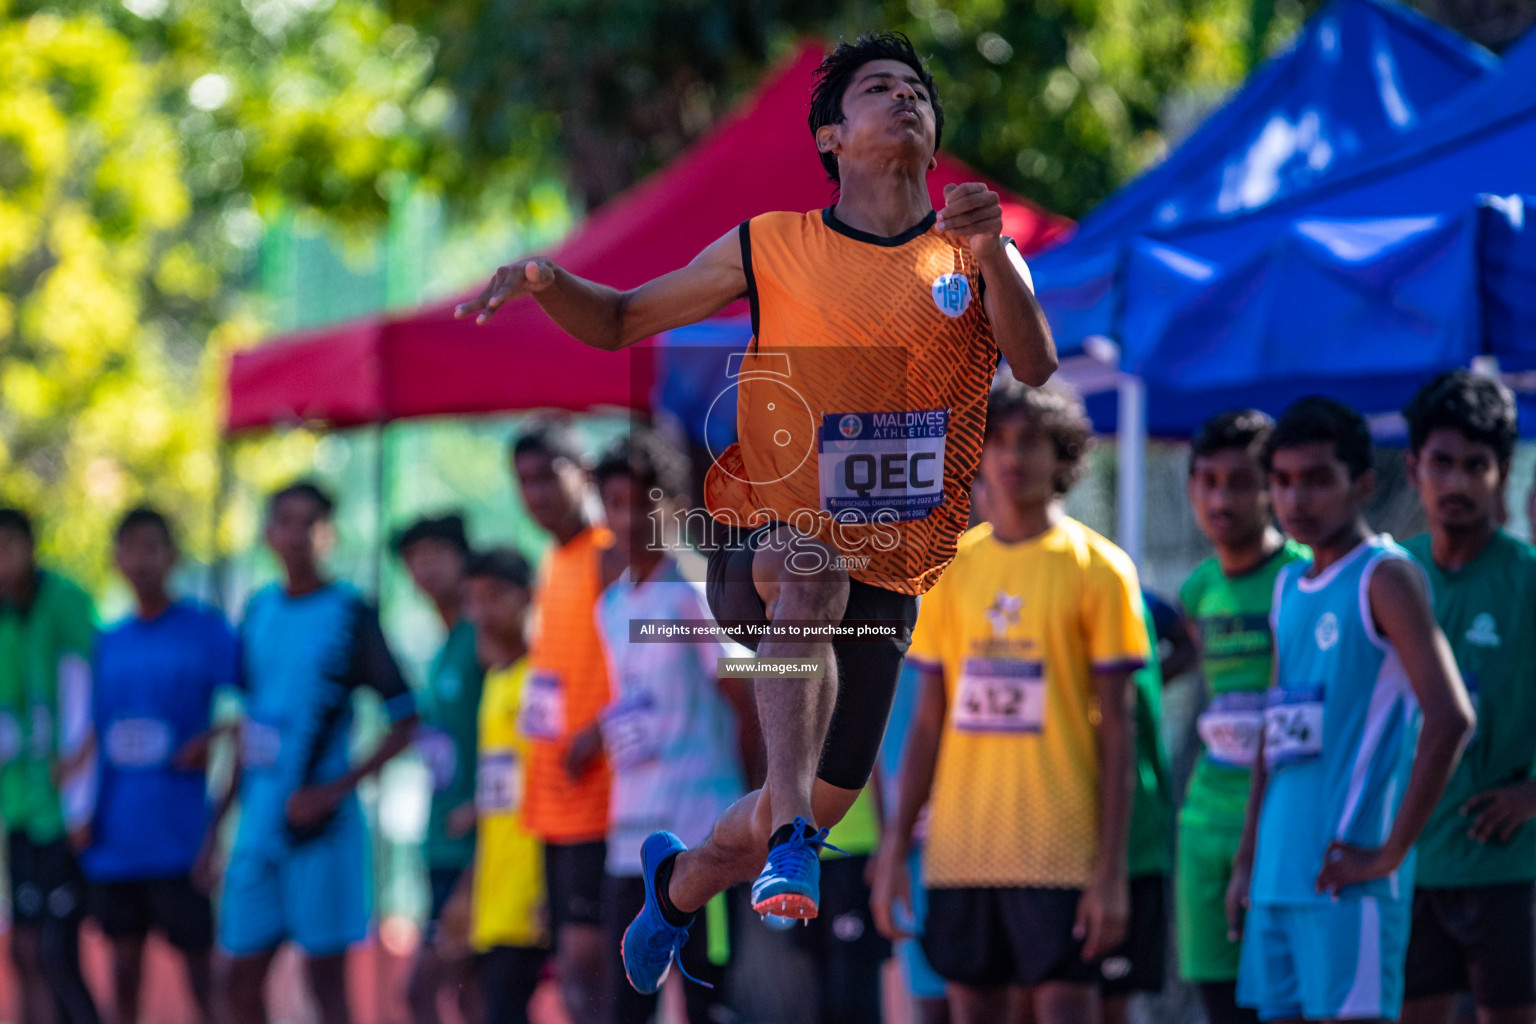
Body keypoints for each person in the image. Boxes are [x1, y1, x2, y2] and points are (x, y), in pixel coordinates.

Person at [458, 31, 1057, 991]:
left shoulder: (971, 252)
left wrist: (995, 255)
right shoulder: (770, 243)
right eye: (878, 88)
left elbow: (1034, 364)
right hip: (763, 544)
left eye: (917, 90)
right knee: (806, 574)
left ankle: (684, 883)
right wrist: (546, 281)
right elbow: (618, 321)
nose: (904, 98)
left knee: (811, 799)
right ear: (830, 134)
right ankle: (787, 842)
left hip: (891, 575)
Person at [869, 382, 1147, 1024]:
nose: (1009, 456)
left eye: (1029, 441)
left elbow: (1119, 733)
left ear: (1064, 456)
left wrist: (1110, 874)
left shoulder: (1100, 569)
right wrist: (891, 854)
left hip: (1062, 852)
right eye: (994, 440)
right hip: (960, 855)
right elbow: (928, 725)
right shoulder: (948, 571)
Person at [1227, 396, 1475, 1024]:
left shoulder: (1385, 577)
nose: (1295, 499)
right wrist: (1247, 859)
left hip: (1348, 882)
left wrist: (1390, 853)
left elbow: (1451, 718)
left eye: (1315, 479)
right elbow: (1273, 732)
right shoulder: (1288, 583)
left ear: (1362, 483)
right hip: (1279, 880)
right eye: (1281, 481)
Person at [219, 482, 420, 1024]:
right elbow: (247, 723)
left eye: (310, 522)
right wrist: (218, 822)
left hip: (322, 834)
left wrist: (332, 791)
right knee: (238, 981)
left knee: (325, 982)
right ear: (268, 532)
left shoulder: (350, 613)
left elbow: (407, 720)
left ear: (328, 534)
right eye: (285, 520)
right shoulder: (258, 610)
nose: (297, 533)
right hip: (258, 828)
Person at [592, 429, 756, 1022]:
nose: (630, 516)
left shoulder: (695, 591)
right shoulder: (611, 604)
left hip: (701, 833)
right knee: (629, 998)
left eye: (645, 500)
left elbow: (744, 696)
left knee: (708, 997)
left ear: (674, 505)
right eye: (615, 502)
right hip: (628, 838)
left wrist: (753, 808)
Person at [1398, 372, 1536, 1024]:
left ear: (1502, 472)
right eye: (1441, 463)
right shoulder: (1388, 576)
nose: (1456, 482)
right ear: (1413, 467)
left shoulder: (1528, 579)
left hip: (1508, 871)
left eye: (1475, 466)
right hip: (1404, 867)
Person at [1176, 410, 1308, 1024]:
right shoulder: (1201, 587)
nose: (1218, 497)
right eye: (1206, 480)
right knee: (1218, 1005)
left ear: (1270, 488)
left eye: (1238, 480)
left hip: (1289, 827)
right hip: (1206, 826)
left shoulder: (1305, 576)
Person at [82, 508, 235, 1024]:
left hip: (182, 842)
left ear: (172, 556)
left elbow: (249, 718)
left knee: (202, 979)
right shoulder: (105, 643)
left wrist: (214, 740)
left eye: (153, 547)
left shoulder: (208, 633)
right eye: (130, 548)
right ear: (116, 559)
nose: (141, 560)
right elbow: (85, 738)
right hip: (114, 844)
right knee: (122, 973)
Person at [508, 419, 615, 1023]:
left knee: (589, 969)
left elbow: (650, 663)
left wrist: (598, 731)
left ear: (585, 473)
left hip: (602, 800)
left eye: (549, 475)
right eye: (524, 481)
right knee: (572, 973)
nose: (536, 493)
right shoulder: (552, 560)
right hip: (552, 803)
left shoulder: (610, 552)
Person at [0, 508, 101, 1024]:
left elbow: (89, 697)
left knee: (57, 953)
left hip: (65, 811)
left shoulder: (66, 602)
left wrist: (81, 795)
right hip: (19, 809)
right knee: (24, 947)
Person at [395, 514, 484, 1024]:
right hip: (440, 842)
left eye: (435, 554)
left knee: (421, 991)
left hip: (475, 849)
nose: (423, 568)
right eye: (413, 558)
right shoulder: (443, 646)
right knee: (471, 995)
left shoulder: (481, 637)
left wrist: (483, 808)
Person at [461, 548, 550, 1024]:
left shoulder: (542, 679)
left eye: (494, 597)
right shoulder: (498, 679)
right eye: (471, 600)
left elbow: (549, 779)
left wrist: (544, 886)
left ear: (528, 597)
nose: (481, 613)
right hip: (496, 889)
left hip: (531, 887)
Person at [1103, 602, 1173, 1024]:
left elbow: (1184, 634)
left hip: (1133, 848)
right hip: (1048, 855)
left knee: (1112, 1004)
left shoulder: (1112, 581)